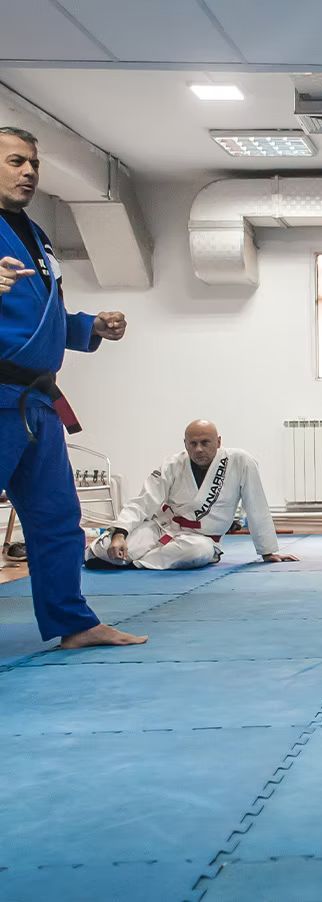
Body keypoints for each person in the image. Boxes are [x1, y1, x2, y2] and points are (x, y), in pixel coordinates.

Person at [0, 126, 144, 648]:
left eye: (32, 163)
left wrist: (89, 328)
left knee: (59, 520)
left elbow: (46, 316)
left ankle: (72, 623)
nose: (29, 172)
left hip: (36, 401)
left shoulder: (34, 235)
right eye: (16, 161)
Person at [85, 420, 297, 570]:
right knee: (106, 549)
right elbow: (143, 502)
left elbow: (256, 506)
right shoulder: (172, 464)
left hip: (200, 540)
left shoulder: (241, 462)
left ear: (219, 442)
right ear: (185, 443)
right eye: (192, 443)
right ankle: (130, 557)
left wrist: (268, 551)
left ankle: (134, 561)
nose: (198, 449)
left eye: (205, 442)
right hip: (161, 529)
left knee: (196, 553)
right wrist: (120, 534)